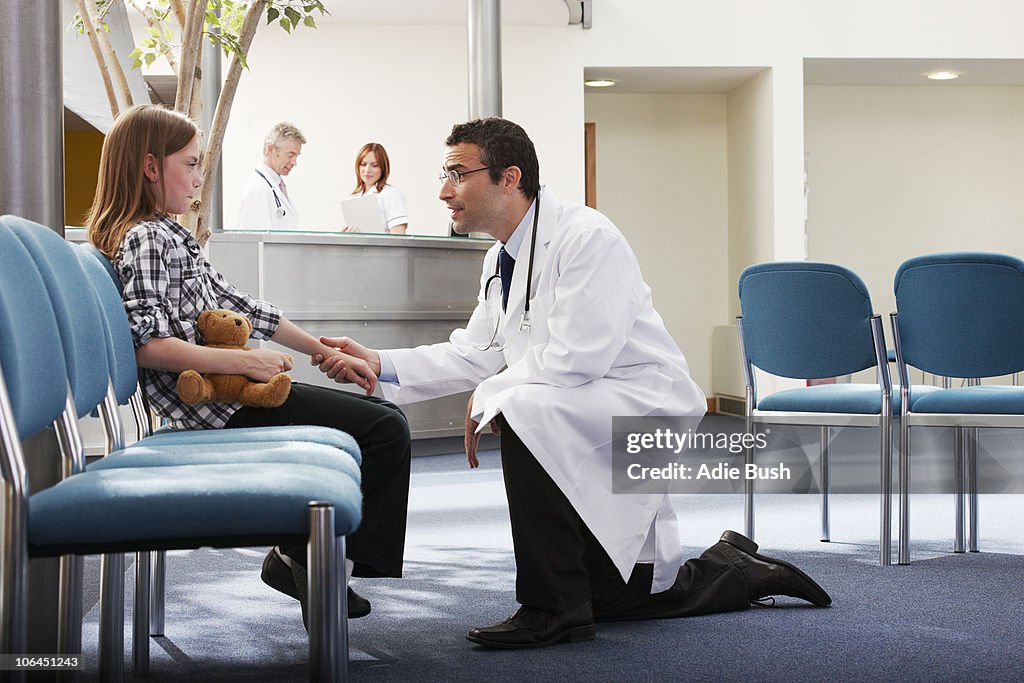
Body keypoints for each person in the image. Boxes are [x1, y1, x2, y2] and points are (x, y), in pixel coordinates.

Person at [316, 117, 831, 649]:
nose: (443, 191)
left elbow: (579, 355)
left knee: (520, 408)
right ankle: (734, 567)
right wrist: (380, 363)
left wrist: (493, 395)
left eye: (456, 173)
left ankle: (551, 606)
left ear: (509, 177)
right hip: (580, 405)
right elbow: (478, 350)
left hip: (635, 399)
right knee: (615, 596)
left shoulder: (587, 236)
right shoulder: (500, 258)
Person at [87, 104, 412, 625]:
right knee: (384, 429)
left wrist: (321, 351)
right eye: (190, 165)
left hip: (225, 398)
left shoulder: (167, 234)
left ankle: (304, 561)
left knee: (384, 425)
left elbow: (242, 307)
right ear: (151, 168)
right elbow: (148, 345)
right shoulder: (147, 237)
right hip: (215, 410)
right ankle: (314, 566)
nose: (198, 177)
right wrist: (247, 363)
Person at [237, 122, 305, 230]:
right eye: (290, 155)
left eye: (296, 156)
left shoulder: (275, 186)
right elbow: (257, 241)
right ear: (270, 149)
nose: (294, 162)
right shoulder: (258, 190)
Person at [343, 142, 408, 234]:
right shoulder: (352, 198)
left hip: (380, 248)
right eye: (363, 164)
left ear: (383, 168)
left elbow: (399, 239)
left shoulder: (391, 194)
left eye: (375, 165)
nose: (367, 170)